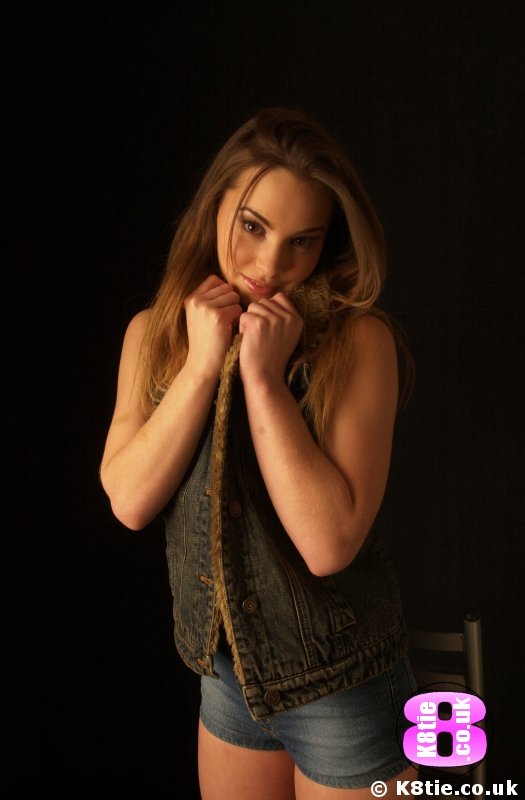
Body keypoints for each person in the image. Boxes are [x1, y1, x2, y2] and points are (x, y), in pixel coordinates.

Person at [100, 107, 417, 799]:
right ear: (215, 207)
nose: (271, 266)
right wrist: (201, 366)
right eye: (252, 227)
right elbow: (128, 500)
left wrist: (265, 382)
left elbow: (328, 544)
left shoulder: (358, 342)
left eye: (302, 241)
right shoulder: (152, 335)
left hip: (343, 687)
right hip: (227, 682)